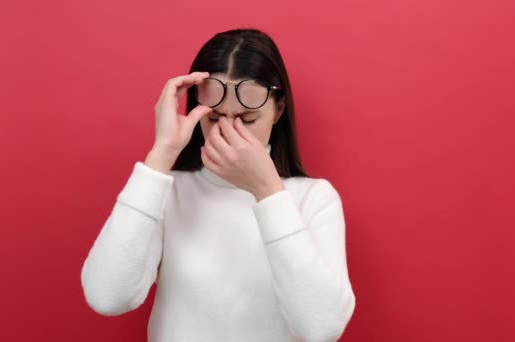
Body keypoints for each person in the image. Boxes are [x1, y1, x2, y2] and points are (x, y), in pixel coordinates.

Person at [80, 28, 356, 342]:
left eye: (248, 120)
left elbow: (322, 327)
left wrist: (267, 191)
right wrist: (161, 154)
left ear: (278, 110)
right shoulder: (168, 191)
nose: (227, 132)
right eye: (214, 117)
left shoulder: (313, 198)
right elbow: (107, 296)